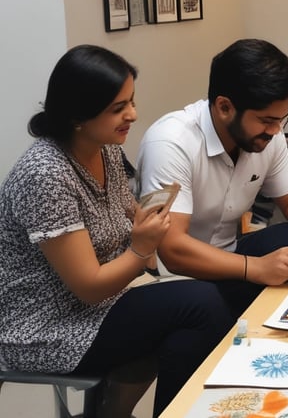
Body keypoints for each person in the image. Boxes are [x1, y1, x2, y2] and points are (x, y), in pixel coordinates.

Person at [0, 45, 231, 418]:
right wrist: (141, 249)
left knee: (202, 305)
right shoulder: (46, 174)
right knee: (199, 305)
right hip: (46, 328)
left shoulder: (104, 147)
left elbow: (129, 215)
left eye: (132, 102)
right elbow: (89, 287)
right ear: (78, 115)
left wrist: (149, 226)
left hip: (102, 302)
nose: (133, 115)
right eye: (118, 108)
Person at [136, 39, 288, 320]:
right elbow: (173, 249)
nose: (275, 130)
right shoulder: (171, 142)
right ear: (225, 107)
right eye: (266, 121)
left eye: (281, 119)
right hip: (175, 276)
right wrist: (256, 268)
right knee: (208, 301)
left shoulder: (268, 135)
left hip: (231, 257)